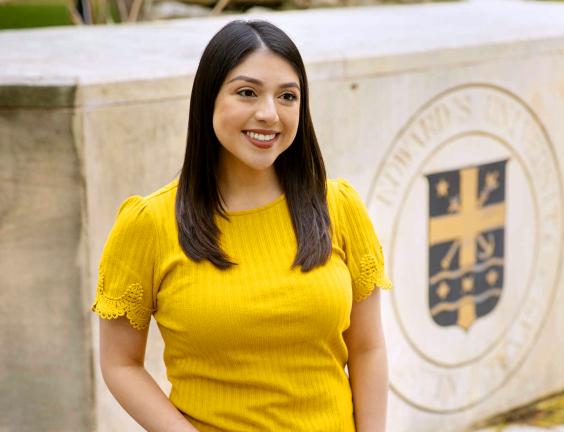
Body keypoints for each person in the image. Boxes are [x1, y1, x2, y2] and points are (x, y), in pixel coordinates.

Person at [92, 19, 392, 432]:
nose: (269, 114)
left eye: (287, 96)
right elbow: (120, 363)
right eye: (247, 92)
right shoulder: (149, 223)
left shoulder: (338, 207)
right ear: (208, 100)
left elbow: (368, 347)